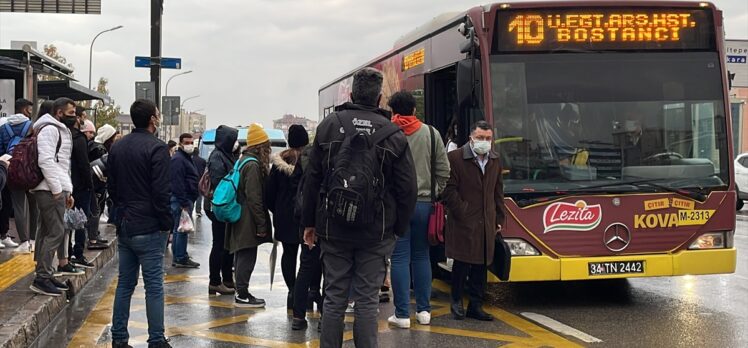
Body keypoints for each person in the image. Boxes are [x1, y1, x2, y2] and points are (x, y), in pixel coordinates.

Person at [302, 68, 418, 348]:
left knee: (334, 297)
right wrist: (398, 228)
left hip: (333, 227)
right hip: (377, 232)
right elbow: (408, 189)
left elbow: (312, 178)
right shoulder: (394, 134)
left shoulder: (329, 125)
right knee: (366, 300)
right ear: (380, 99)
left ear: (352, 94)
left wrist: (309, 223)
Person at [109, 99, 173, 348]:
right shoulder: (157, 149)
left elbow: (112, 187)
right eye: (157, 115)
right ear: (152, 120)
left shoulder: (118, 147)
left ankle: (119, 338)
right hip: (150, 226)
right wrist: (166, 223)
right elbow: (161, 192)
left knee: (125, 283)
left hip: (125, 224)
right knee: (154, 285)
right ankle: (156, 339)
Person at [387, 91, 450, 329]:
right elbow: (444, 171)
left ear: (393, 112)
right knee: (422, 256)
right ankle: (424, 311)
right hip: (425, 205)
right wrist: (433, 191)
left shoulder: (388, 134)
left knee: (400, 257)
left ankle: (402, 314)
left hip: (397, 205)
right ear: (414, 110)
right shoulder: (432, 134)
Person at [442, 120, 506, 322]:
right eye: (480, 138)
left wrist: (499, 217)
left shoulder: (495, 159)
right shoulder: (455, 158)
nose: (484, 142)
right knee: (462, 263)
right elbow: (448, 190)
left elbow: (498, 191)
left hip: (487, 220)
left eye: (488, 138)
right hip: (463, 220)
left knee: (482, 264)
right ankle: (456, 302)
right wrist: (463, 211)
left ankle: (476, 305)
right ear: (471, 137)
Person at [29, 97, 76, 296]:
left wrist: (68, 189)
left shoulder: (54, 128)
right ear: (59, 113)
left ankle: (45, 274)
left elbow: (61, 163)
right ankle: (42, 277)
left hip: (53, 186)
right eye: (71, 113)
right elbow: (46, 161)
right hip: (49, 188)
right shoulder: (50, 129)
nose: (74, 117)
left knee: (48, 230)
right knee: (56, 232)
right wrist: (58, 189)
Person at [226, 123, 272, 308]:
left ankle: (241, 291)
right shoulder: (252, 165)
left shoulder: (242, 159)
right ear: (260, 147)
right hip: (247, 218)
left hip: (240, 214)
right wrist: (261, 224)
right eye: (267, 146)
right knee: (247, 254)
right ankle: (242, 294)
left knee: (242, 253)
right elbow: (254, 198)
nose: (269, 149)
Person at [266, 124, 309, 311]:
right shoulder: (310, 161)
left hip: (284, 217)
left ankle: (292, 291)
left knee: (288, 254)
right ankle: (307, 292)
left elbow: (269, 193)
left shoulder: (278, 164)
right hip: (307, 215)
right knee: (309, 256)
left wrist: (277, 210)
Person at [206, 126, 239, 296]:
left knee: (227, 246)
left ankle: (227, 279)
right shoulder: (218, 157)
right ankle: (215, 281)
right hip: (219, 207)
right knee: (219, 245)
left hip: (226, 207)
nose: (236, 144)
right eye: (233, 140)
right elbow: (220, 183)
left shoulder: (227, 155)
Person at [0, 98, 35, 252]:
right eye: (29, 109)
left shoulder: (4, 127)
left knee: (17, 205)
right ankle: (33, 239)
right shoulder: (31, 126)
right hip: (29, 169)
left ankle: (24, 240)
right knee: (34, 205)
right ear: (25, 110)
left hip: (11, 169)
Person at [67, 105, 95, 269]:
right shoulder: (78, 138)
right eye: (83, 116)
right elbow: (84, 164)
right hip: (80, 186)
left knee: (68, 222)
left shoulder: (67, 135)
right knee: (79, 221)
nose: (84, 119)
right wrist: (89, 185)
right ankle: (78, 253)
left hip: (69, 184)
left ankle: (68, 253)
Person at [170, 133, 200, 268]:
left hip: (186, 198)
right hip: (182, 199)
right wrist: (183, 202)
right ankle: (180, 257)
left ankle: (179, 255)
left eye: (191, 142)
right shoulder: (178, 159)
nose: (190, 145)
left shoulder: (186, 158)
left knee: (180, 228)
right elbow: (177, 182)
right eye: (187, 142)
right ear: (181, 143)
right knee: (182, 229)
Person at [86, 124, 117, 250]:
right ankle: (93, 238)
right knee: (95, 210)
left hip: (94, 182)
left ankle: (94, 235)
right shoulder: (100, 149)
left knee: (95, 210)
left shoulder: (92, 146)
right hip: (96, 183)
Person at [192, 146, 206, 218]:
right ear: (198, 152)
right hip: (200, 180)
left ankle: (190, 210)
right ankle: (198, 211)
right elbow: (204, 170)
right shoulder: (203, 161)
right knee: (199, 196)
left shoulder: (190, 159)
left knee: (191, 196)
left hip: (191, 180)